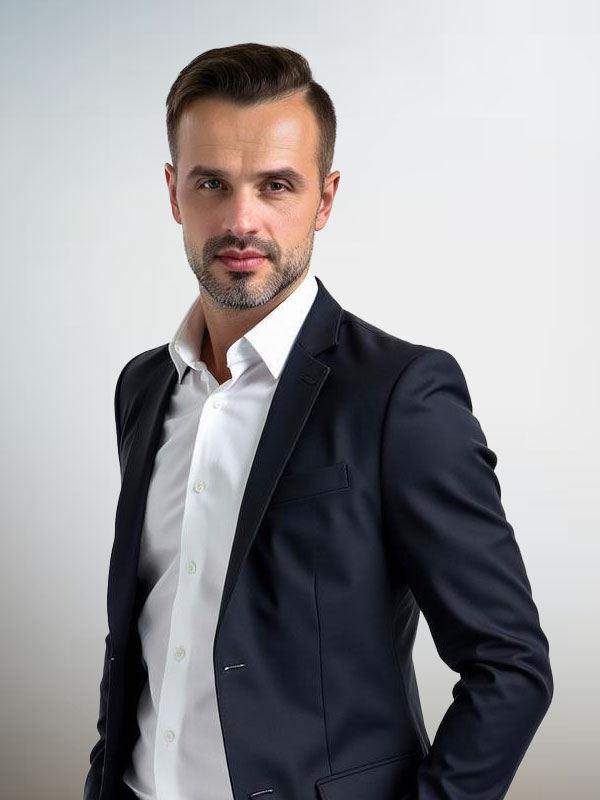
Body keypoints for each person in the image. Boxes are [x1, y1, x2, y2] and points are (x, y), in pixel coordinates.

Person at [84, 42, 553, 800]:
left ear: (325, 200)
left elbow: (510, 667)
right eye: (212, 183)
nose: (241, 220)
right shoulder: (144, 387)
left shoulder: (400, 395)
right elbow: (143, 632)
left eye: (276, 185)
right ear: (174, 193)